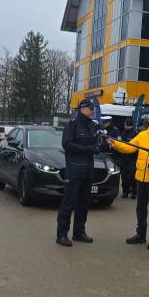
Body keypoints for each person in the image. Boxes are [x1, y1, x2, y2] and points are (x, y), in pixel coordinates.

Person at [108, 109, 149, 250]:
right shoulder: (143, 135)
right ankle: (140, 234)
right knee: (140, 208)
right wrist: (115, 143)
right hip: (141, 177)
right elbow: (129, 147)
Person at [57, 99, 100, 246]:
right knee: (68, 202)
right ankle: (62, 235)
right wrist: (88, 149)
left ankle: (79, 232)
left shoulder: (92, 125)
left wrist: (99, 146)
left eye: (93, 108)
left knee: (84, 203)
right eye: (90, 108)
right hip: (74, 169)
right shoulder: (72, 124)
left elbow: (95, 143)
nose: (93, 110)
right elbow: (67, 144)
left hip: (88, 170)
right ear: (82, 109)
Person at [118, 118, 137, 199]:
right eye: (124, 124)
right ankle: (125, 191)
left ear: (130, 125)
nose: (124, 126)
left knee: (132, 176)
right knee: (124, 176)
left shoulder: (135, 134)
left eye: (126, 124)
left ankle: (134, 192)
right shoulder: (123, 133)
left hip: (132, 158)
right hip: (123, 157)